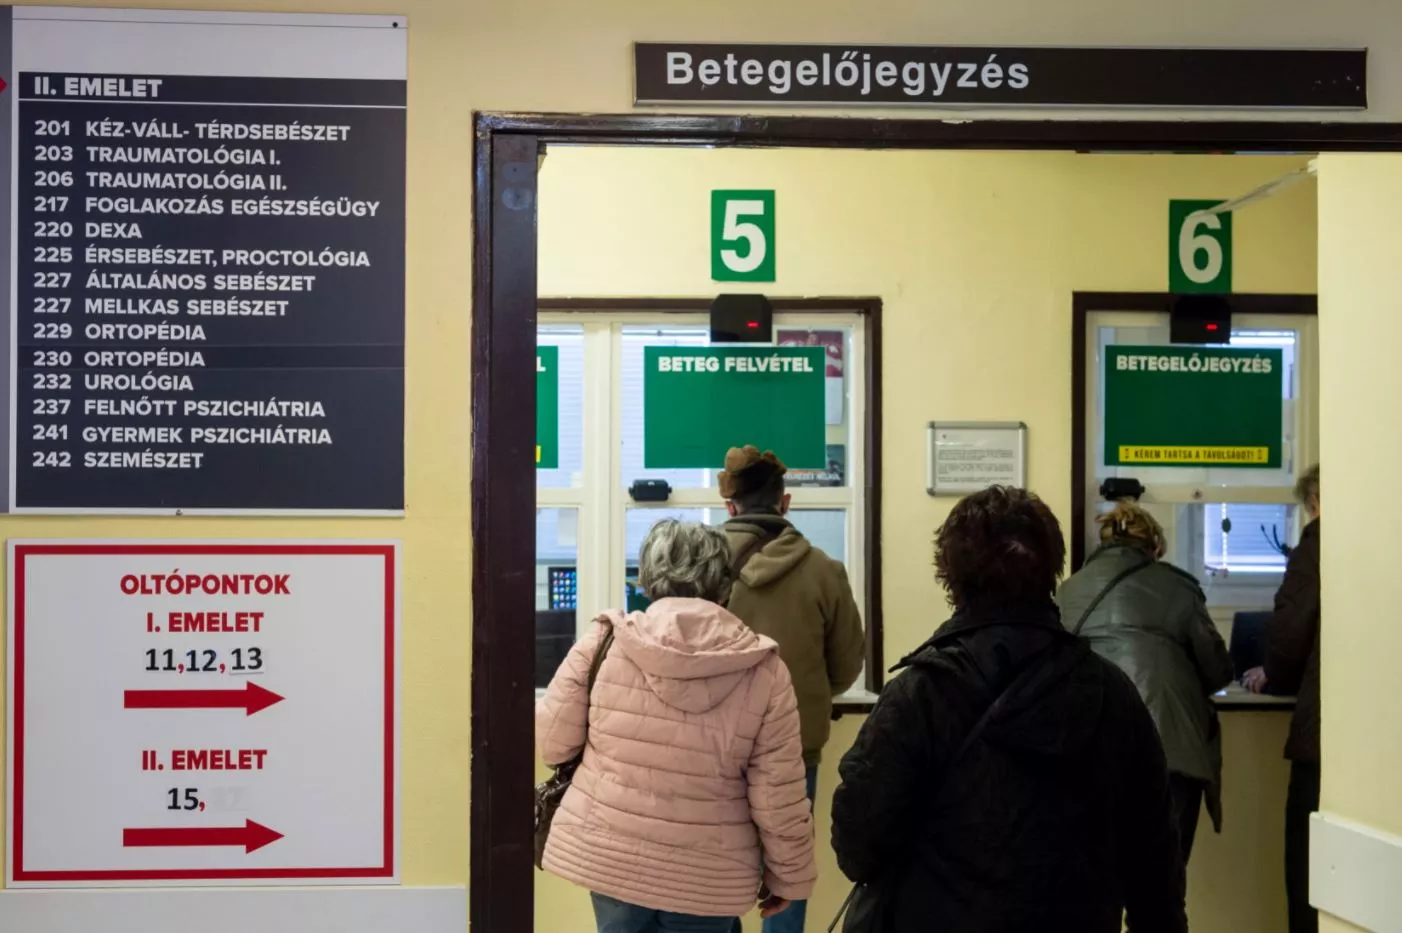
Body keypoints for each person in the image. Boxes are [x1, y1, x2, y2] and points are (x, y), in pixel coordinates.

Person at [830, 486, 1187, 933]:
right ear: (1054, 569)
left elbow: (858, 846)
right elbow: (1154, 864)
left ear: (950, 574)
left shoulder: (920, 694)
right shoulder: (1110, 694)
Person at [537, 519, 817, 933]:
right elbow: (778, 794)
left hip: (612, 858)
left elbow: (552, 744)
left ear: (648, 577)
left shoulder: (604, 643)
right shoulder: (764, 670)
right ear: (723, 583)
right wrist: (789, 876)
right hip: (709, 875)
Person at [720, 445, 865, 933]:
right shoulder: (825, 570)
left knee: (708, 879)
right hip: (794, 748)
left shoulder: (701, 566)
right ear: (785, 503)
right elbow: (846, 667)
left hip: (713, 745)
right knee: (787, 878)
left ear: (730, 507)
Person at [1058, 501, 1234, 864]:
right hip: (1169, 753)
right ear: (1154, 546)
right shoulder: (1176, 587)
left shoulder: (1067, 593)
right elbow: (1217, 670)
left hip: (1089, 751)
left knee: (1099, 878)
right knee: (1164, 879)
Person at [1244, 464, 1321, 933]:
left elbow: (1291, 637)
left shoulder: (1318, 546)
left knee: (1310, 871)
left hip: (1325, 737)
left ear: (1316, 502)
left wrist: (1273, 674)